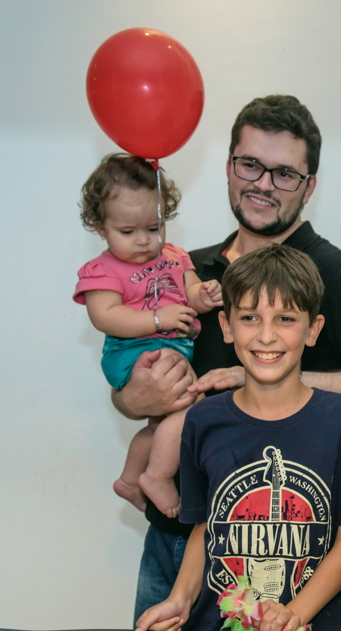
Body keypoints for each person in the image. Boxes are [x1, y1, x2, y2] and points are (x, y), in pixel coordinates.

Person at [114, 95, 341, 622]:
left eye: (285, 173)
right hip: (180, 539)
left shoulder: (334, 274)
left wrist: (269, 380)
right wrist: (131, 398)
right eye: (250, 164)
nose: (263, 183)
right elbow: (130, 374)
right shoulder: (185, 272)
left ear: (309, 186)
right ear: (228, 167)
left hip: (293, 549)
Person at [133, 243, 341, 631]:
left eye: (285, 319)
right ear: (226, 326)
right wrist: (180, 597)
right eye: (249, 317)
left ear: (313, 330)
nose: (266, 335)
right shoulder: (202, 419)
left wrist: (296, 612)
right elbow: (205, 527)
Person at [73, 154, 222, 517]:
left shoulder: (175, 256)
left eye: (153, 229)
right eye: (128, 232)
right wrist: (158, 320)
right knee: (191, 408)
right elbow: (104, 316)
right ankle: (157, 476)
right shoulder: (103, 270)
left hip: (171, 345)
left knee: (164, 425)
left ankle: (129, 478)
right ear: (99, 225)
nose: (143, 241)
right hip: (134, 350)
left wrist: (203, 296)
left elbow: (189, 295)